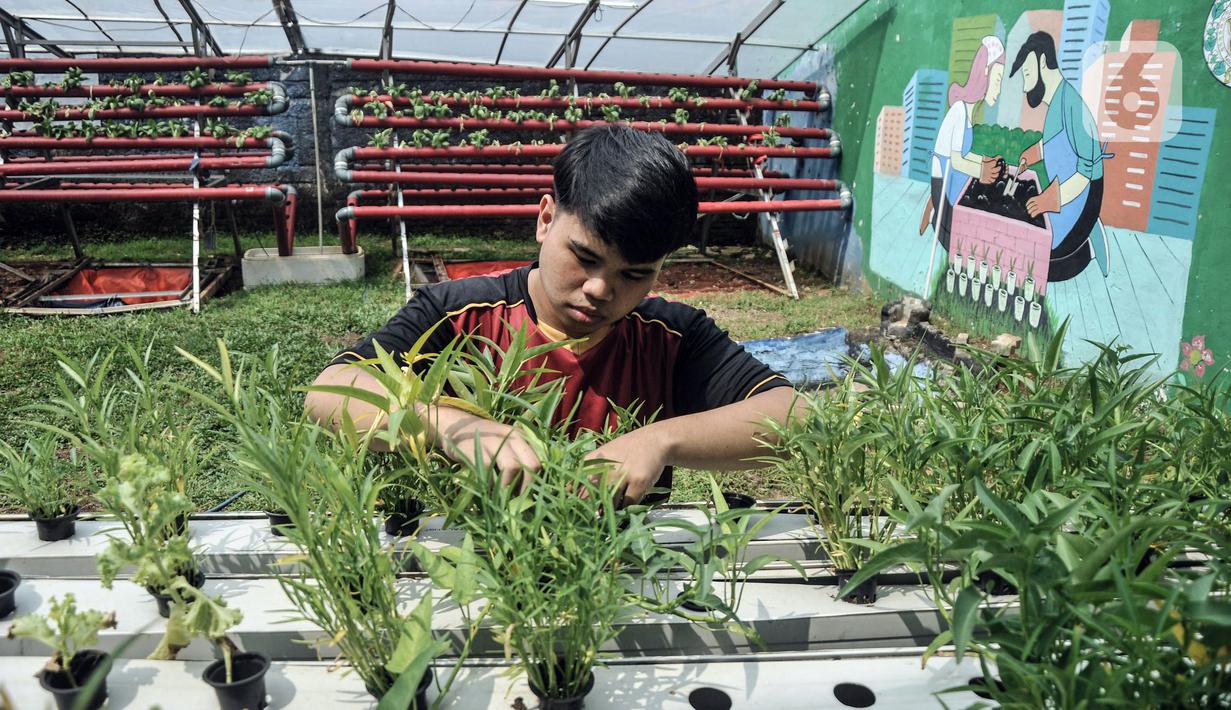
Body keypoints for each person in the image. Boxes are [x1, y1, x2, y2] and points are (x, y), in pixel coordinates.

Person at [306, 125, 796, 506]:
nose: (600, 288)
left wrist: (662, 439)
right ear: (545, 219)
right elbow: (329, 393)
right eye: (584, 256)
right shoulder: (458, 314)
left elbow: (791, 416)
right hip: (463, 557)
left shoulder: (671, 336)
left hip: (611, 572)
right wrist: (449, 425)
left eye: (635, 274)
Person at [1010, 31, 1106, 281]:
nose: (1024, 85)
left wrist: (1054, 198)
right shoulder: (1056, 103)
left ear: (1042, 62)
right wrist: (1035, 153)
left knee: (1037, 262)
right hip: (1060, 195)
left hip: (1081, 199)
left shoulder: (1074, 104)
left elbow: (1087, 173)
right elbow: (1056, 142)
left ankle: (1089, 244)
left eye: (1027, 74)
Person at [919, 35, 1007, 246]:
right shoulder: (959, 111)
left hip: (953, 175)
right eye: (997, 80)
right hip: (943, 177)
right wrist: (981, 171)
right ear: (984, 73)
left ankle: (935, 203)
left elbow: (965, 153)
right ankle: (933, 213)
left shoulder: (969, 113)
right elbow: (957, 160)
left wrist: (984, 161)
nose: (999, 88)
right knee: (954, 242)